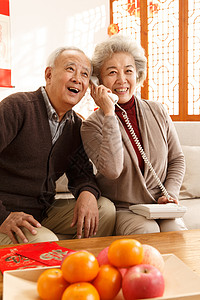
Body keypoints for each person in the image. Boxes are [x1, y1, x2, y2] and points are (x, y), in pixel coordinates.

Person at [0, 46, 116, 245]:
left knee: (104, 209)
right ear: (49, 74)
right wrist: (2, 217)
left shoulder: (75, 125)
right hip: (7, 210)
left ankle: (84, 268)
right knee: (46, 242)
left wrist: (87, 192)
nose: (77, 79)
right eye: (70, 69)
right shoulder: (17, 107)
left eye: (85, 74)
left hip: (42, 211)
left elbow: (82, 174)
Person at [81, 34, 187, 235]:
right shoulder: (91, 125)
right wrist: (109, 112)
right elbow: (112, 170)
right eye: (112, 72)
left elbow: (177, 159)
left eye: (128, 71)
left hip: (161, 205)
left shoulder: (158, 111)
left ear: (137, 74)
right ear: (98, 80)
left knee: (177, 232)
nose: (122, 80)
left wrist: (170, 195)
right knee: (146, 231)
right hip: (124, 208)